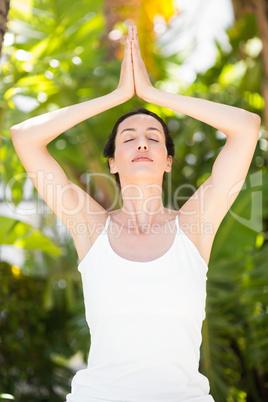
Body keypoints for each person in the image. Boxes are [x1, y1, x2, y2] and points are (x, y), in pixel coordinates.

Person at [10, 25, 260, 402]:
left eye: (154, 137)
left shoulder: (194, 226)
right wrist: (116, 97)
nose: (142, 140)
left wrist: (154, 94)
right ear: (112, 163)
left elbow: (246, 128)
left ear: (167, 161)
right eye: (128, 137)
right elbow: (25, 137)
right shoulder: (91, 229)